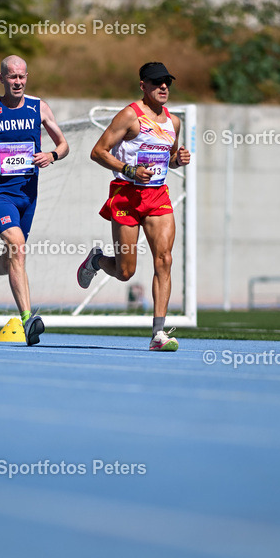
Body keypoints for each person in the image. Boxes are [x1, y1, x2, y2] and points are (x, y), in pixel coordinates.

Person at [0, 54, 69, 346]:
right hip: (0, 194)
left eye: (22, 77)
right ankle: (28, 318)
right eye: (12, 77)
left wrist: (52, 155)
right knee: (17, 248)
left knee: (12, 259)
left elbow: (63, 144)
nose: (17, 82)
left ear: (27, 77)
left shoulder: (38, 107)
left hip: (28, 195)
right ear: (1, 78)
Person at [77, 61, 191, 352]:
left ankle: (158, 333)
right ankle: (97, 261)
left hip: (157, 197)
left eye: (167, 81)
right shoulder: (130, 115)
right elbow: (98, 152)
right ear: (144, 86)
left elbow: (169, 158)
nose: (163, 87)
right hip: (127, 195)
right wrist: (128, 169)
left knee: (164, 260)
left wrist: (179, 159)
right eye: (156, 82)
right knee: (125, 271)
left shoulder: (173, 122)